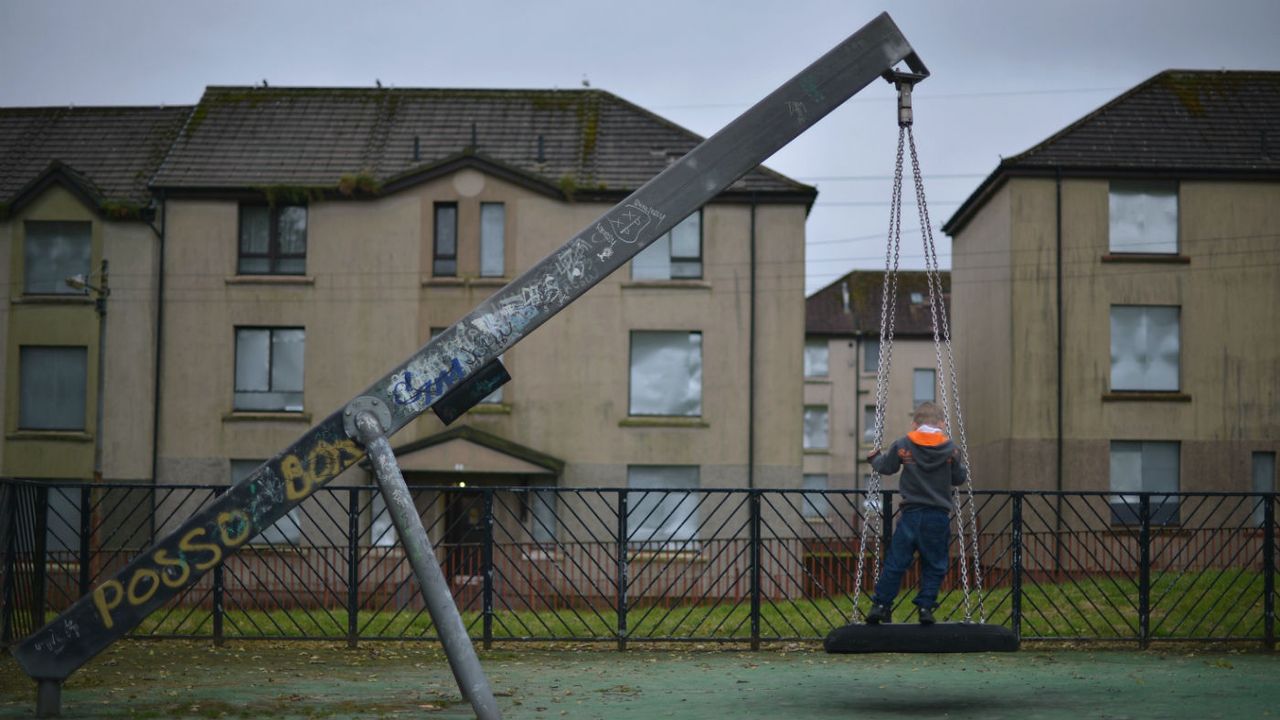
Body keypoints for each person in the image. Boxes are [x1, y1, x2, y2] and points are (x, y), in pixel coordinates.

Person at [864, 401, 967, 625]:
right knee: (935, 563)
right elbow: (958, 478)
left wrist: (874, 458)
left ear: (914, 424)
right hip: (937, 516)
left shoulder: (904, 444)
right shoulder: (951, 449)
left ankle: (880, 606)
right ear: (941, 423)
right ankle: (925, 607)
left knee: (897, 561)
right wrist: (961, 467)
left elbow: (887, 467)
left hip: (911, 514)